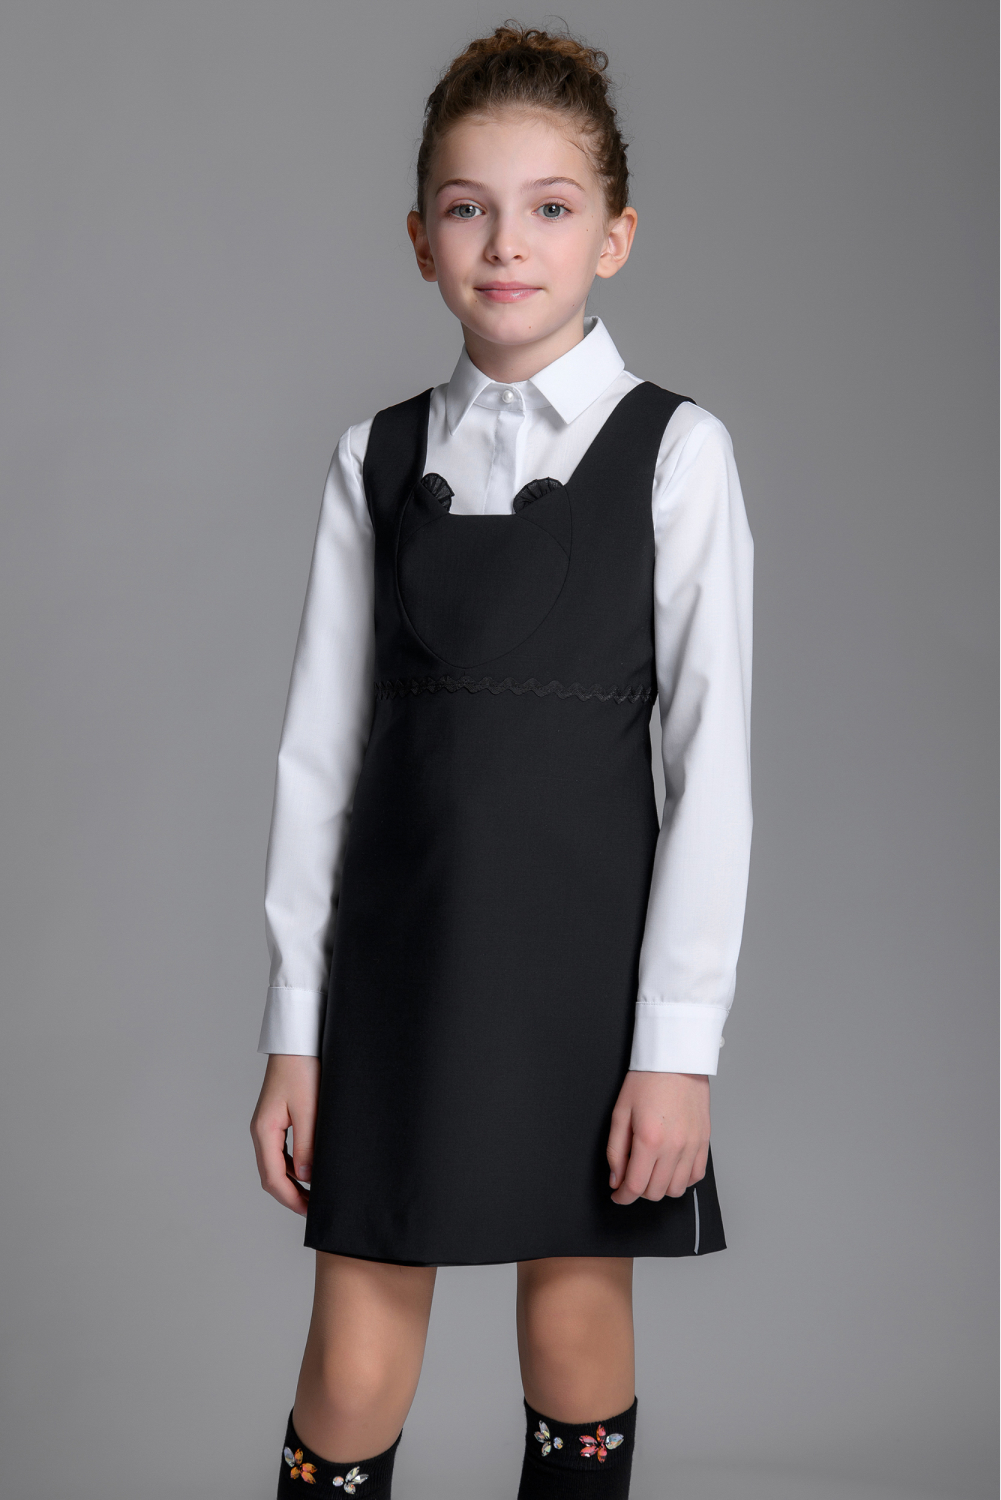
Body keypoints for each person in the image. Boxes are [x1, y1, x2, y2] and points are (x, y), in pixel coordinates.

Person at [250, 23, 753, 1498]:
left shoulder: (676, 453)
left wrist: (676, 1050)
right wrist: (295, 1029)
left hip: (587, 985)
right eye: (467, 208)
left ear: (615, 237)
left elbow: (711, 766)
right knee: (354, 1365)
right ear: (421, 239)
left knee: (576, 1333)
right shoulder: (374, 461)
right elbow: (318, 759)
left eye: (550, 206)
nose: (507, 243)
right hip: (399, 973)